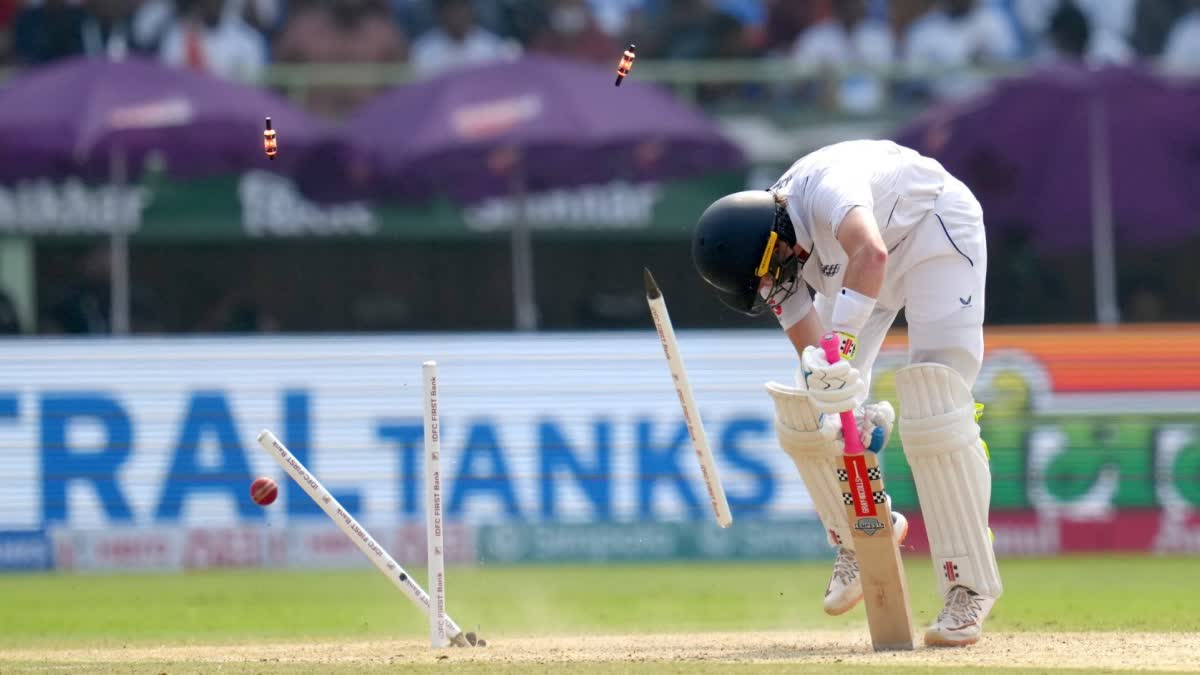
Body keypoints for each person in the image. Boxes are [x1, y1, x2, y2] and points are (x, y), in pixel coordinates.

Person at [691, 139, 1001, 647]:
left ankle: (968, 586)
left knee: (936, 404)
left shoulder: (829, 189)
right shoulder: (771, 256)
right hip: (860, 274)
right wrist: (841, 403)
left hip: (933, 233)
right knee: (808, 409)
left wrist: (844, 345)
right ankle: (860, 537)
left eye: (772, 274)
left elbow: (871, 253)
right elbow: (818, 362)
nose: (775, 285)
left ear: (780, 243)